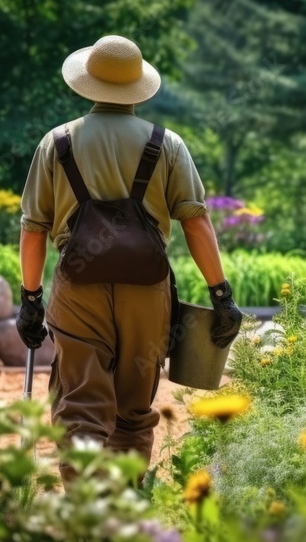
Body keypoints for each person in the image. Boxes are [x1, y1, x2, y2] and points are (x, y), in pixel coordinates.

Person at [15, 35, 242, 483]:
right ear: (137, 87)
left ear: (88, 82)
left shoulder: (56, 143)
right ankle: (126, 511)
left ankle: (86, 517)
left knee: (81, 404)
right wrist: (221, 294)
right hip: (147, 289)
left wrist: (30, 298)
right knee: (134, 410)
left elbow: (33, 228)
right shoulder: (167, 144)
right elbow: (196, 223)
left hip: (78, 290)